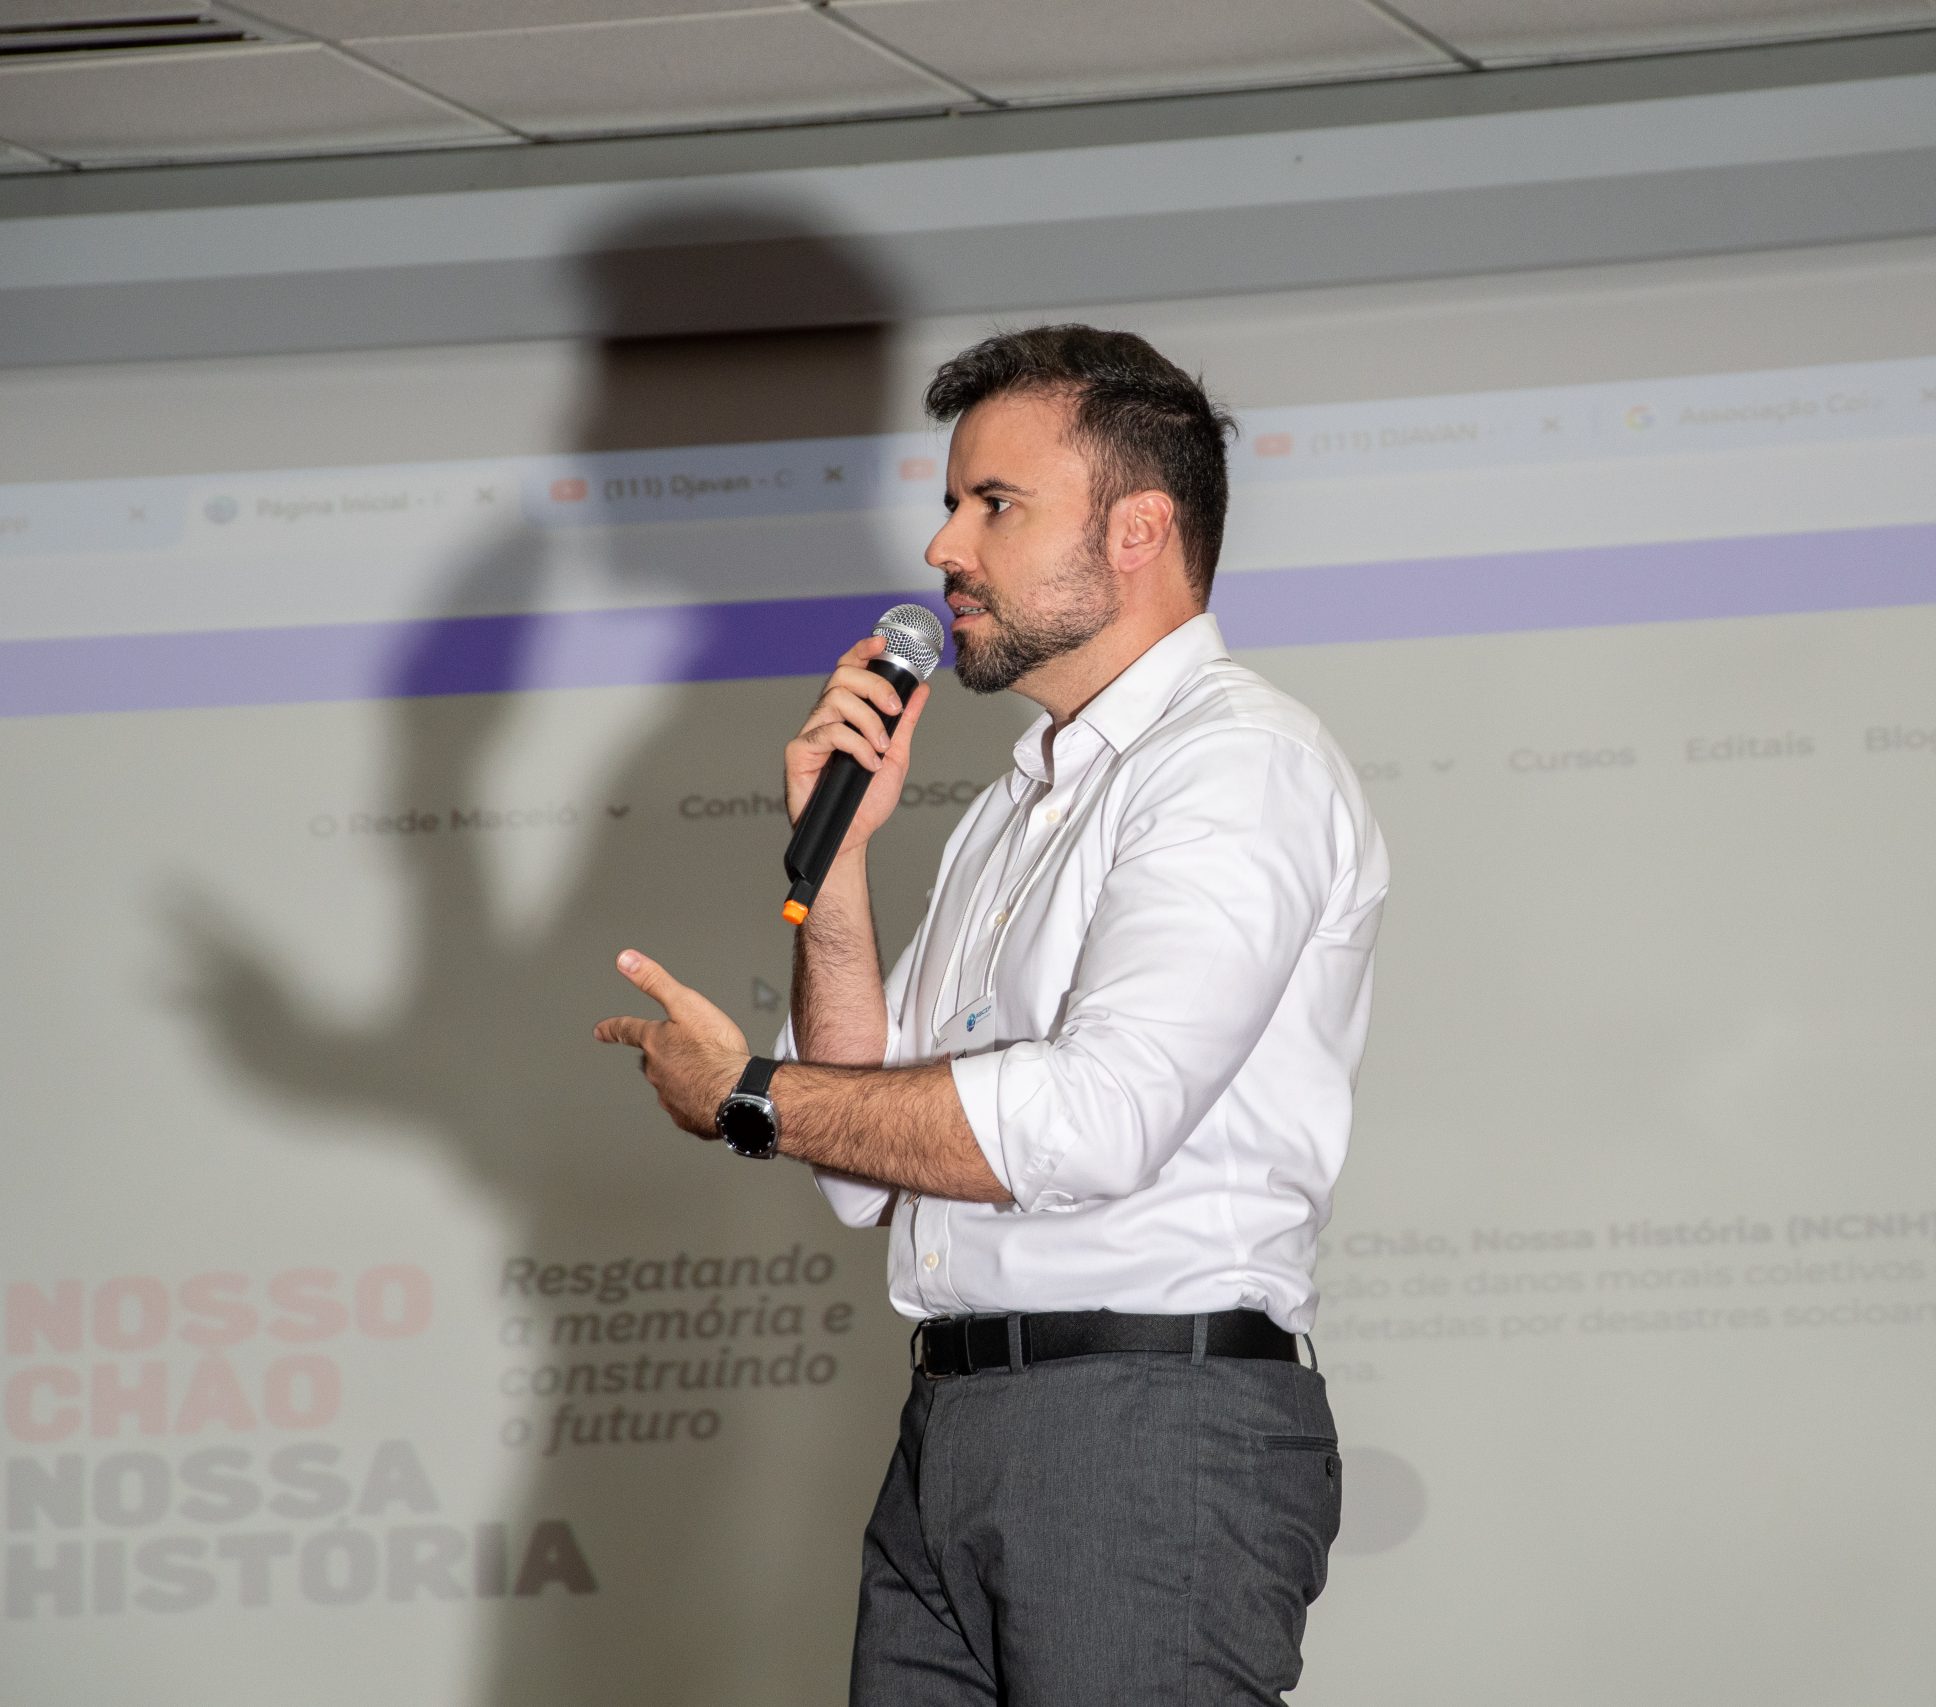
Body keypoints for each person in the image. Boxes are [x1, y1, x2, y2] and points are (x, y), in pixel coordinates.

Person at [594, 324, 1389, 1702]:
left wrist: (749, 1095)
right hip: (955, 1427)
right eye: (953, 502)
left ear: (1138, 531)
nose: (942, 546)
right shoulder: (1023, 797)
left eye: (993, 505)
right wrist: (840, 874)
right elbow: (866, 1168)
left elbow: (1097, 1122)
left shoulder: (1234, 765)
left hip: (1143, 1430)